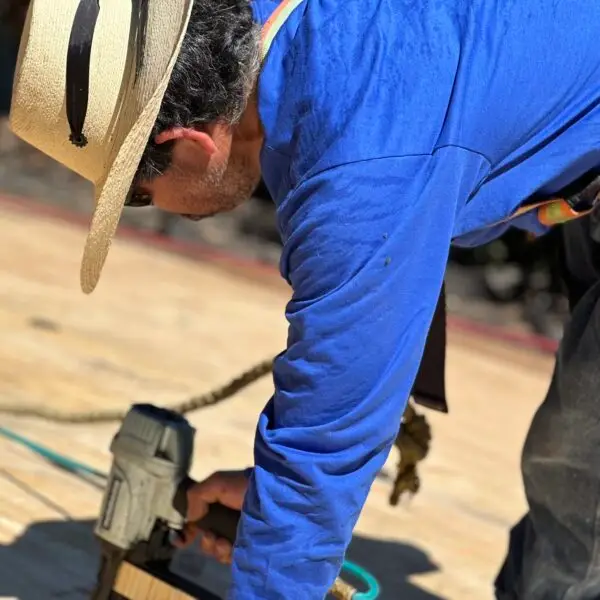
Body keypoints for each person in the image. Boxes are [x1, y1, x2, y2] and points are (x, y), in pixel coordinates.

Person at [5, 0, 600, 598]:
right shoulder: (290, 33)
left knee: (582, 491)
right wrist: (275, 500)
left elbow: (324, 444)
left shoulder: (360, 158)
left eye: (133, 194)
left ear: (189, 142)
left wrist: (283, 533)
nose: (148, 206)